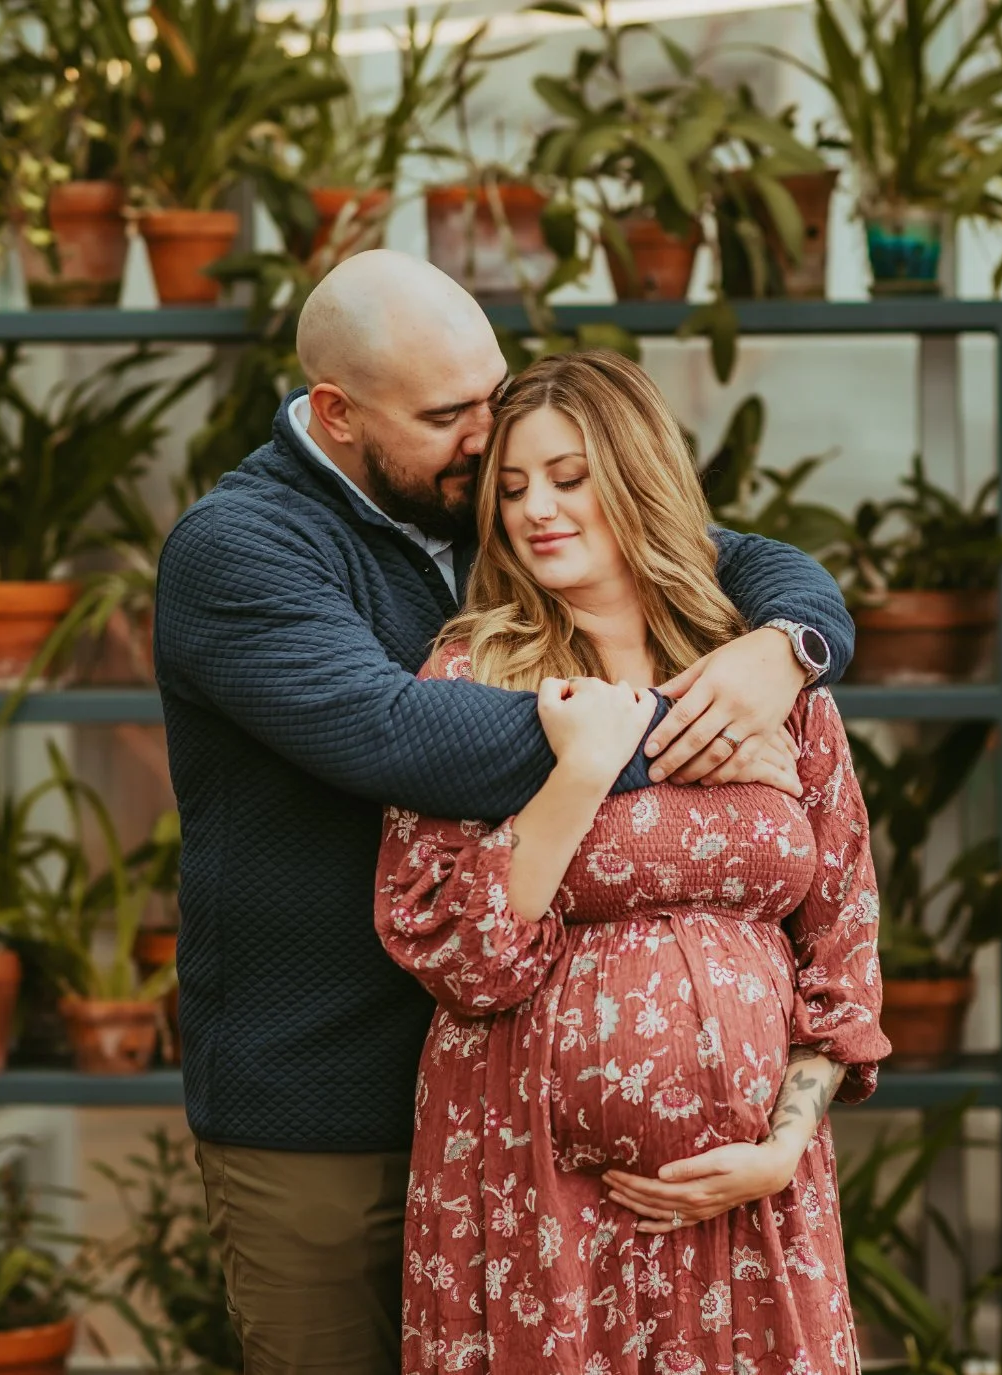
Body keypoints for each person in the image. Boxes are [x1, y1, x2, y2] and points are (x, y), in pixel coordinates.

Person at [154, 250, 856, 1375]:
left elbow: (714, 556)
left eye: (491, 395)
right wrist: (664, 734)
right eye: (448, 415)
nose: (489, 442)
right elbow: (397, 737)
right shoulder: (239, 552)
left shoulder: (474, 495)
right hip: (322, 1112)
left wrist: (788, 648)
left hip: (530, 1139)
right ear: (336, 414)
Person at [374, 350, 889, 1374]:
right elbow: (460, 955)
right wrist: (581, 769)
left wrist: (779, 1149)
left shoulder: (763, 675)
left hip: (752, 1195)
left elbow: (840, 950)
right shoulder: (469, 677)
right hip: (532, 1190)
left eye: (569, 477)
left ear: (635, 479)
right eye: (512, 487)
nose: (536, 510)